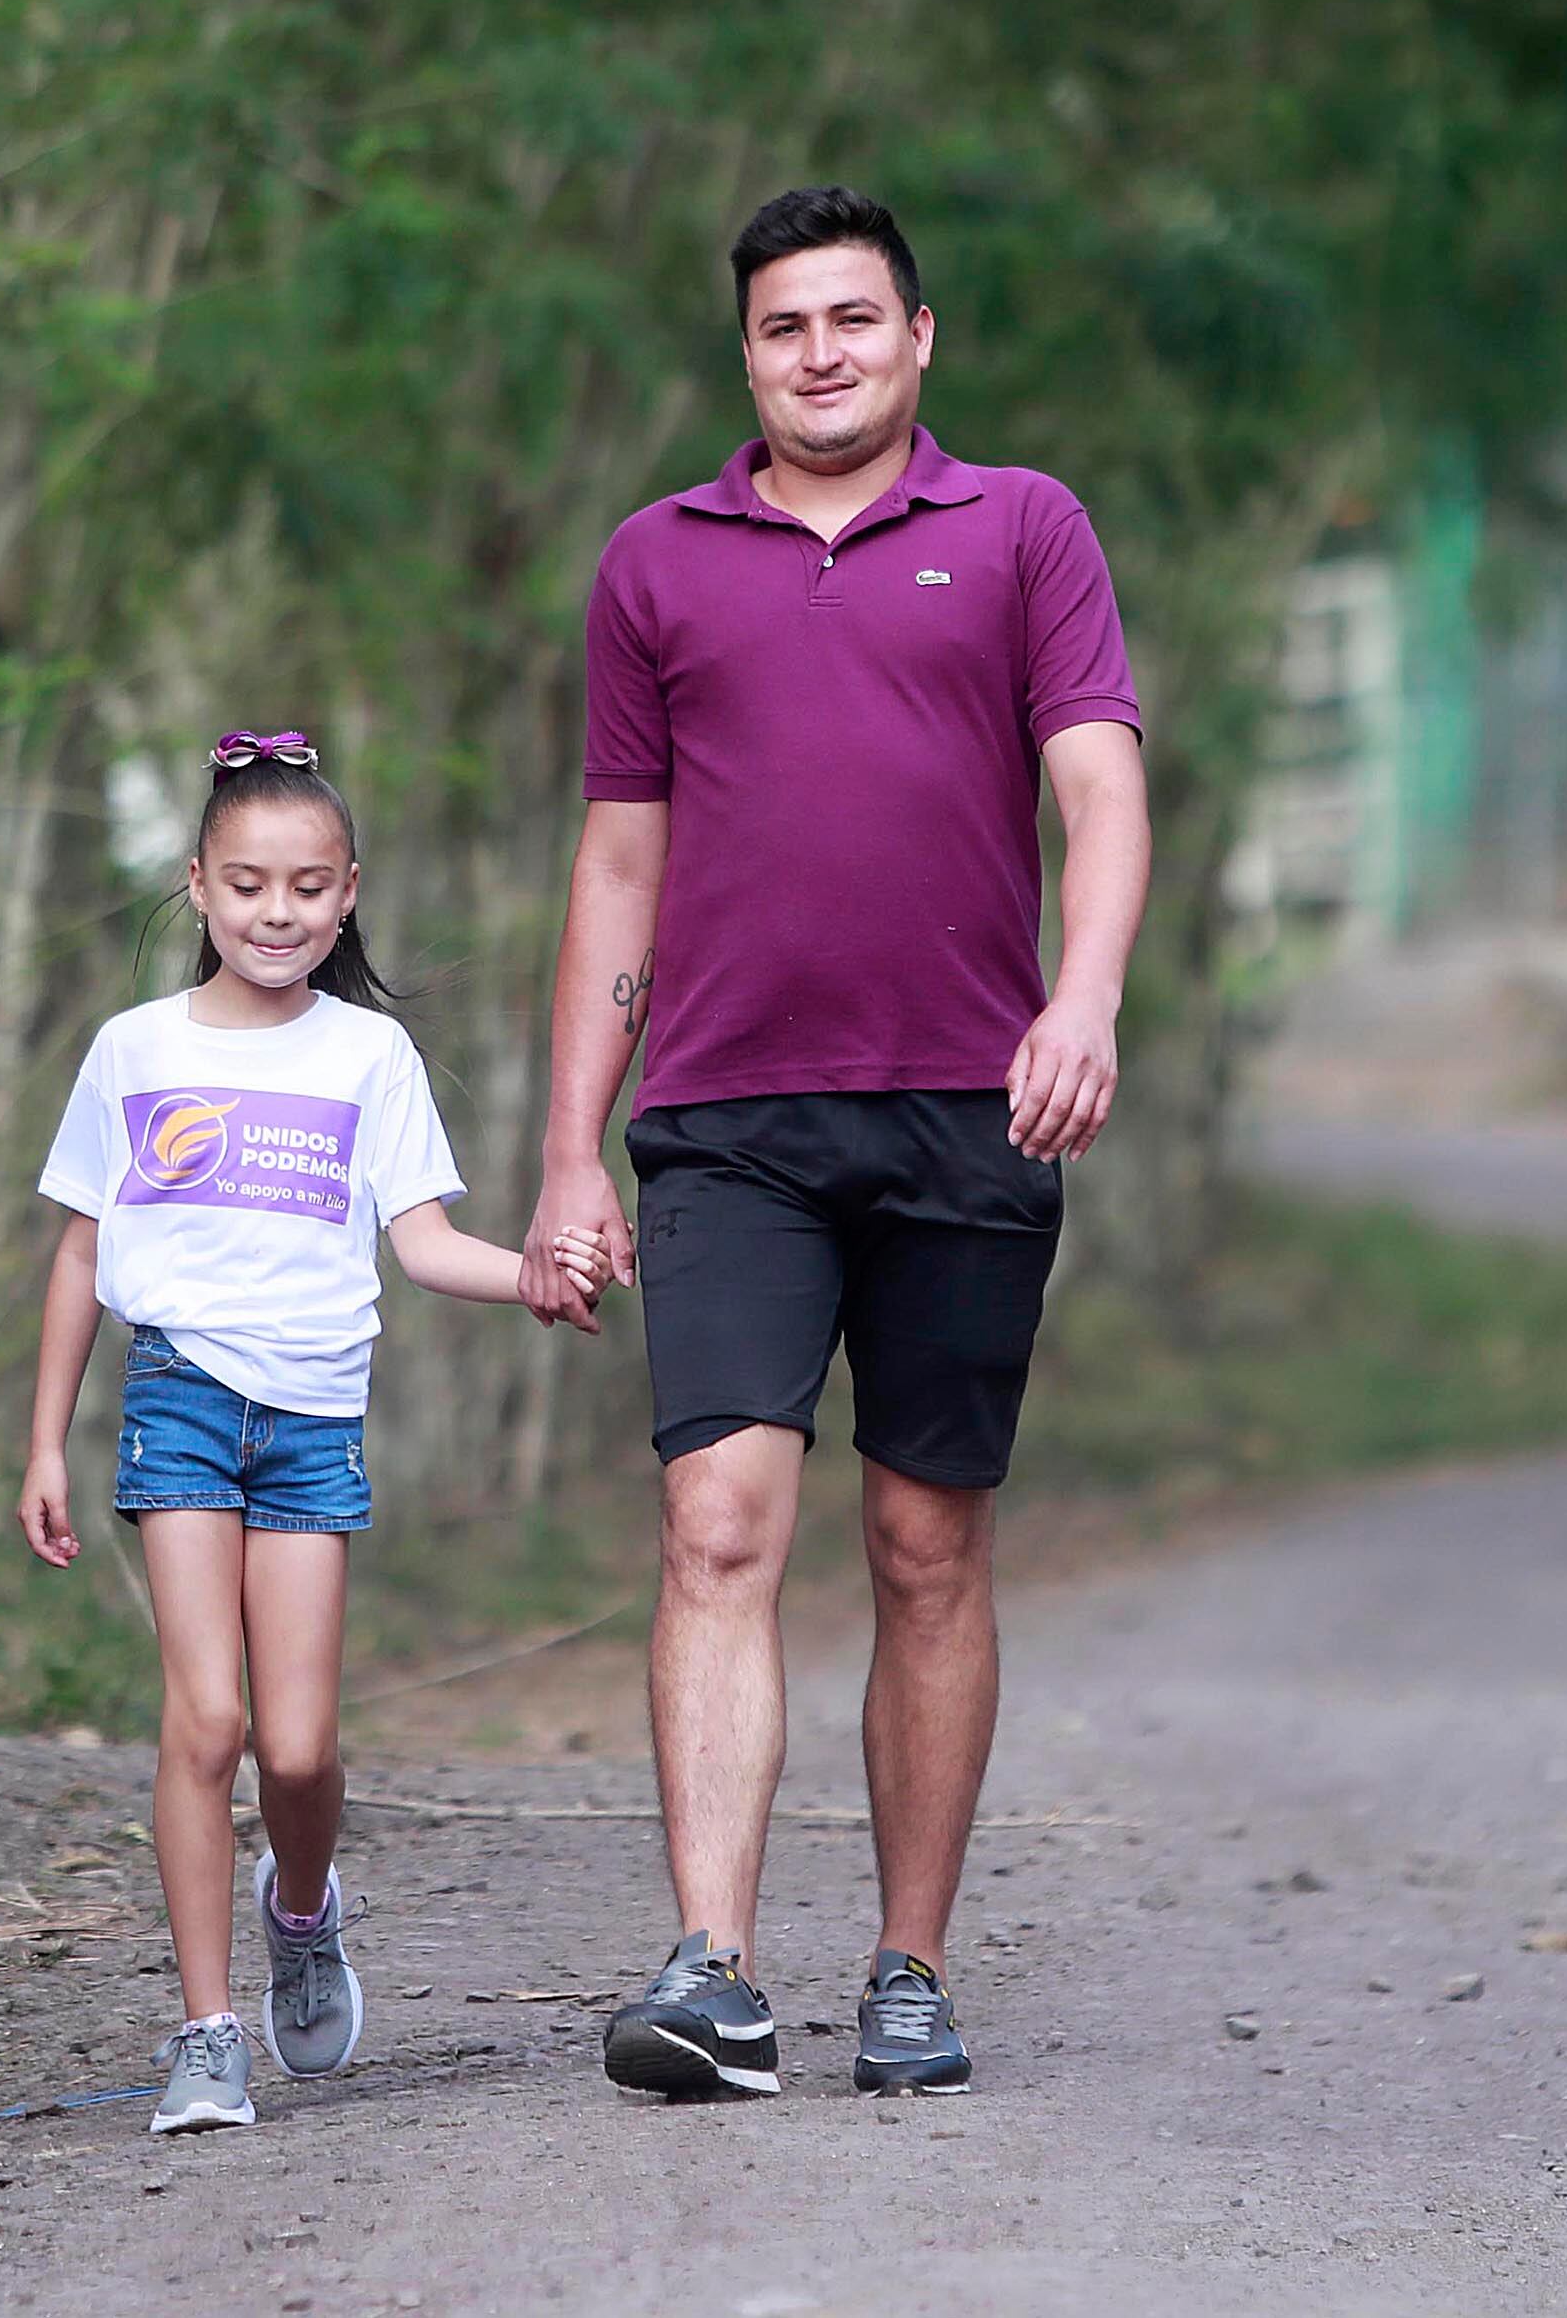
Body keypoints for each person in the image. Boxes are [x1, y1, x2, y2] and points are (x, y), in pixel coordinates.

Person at [519, 185, 1150, 2099]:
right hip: (727, 1120)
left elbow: (1103, 788)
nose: (823, 353)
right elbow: (620, 863)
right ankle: (711, 1966)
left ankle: (909, 1967)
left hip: (973, 1100)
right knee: (718, 1518)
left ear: (919, 337)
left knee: (923, 1544)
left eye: (855, 320)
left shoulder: (1023, 528)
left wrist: (1087, 998)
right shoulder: (658, 562)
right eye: (788, 326)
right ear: (748, 356)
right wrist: (569, 1149)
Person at [19, 730, 612, 2134]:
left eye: (304, 887)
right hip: (175, 1399)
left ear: (348, 895)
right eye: (246, 886)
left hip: (311, 1417)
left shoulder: (371, 1056)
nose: (275, 914)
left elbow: (424, 1245)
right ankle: (207, 2032)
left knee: (295, 1749)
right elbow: (77, 1256)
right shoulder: (134, 1049)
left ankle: (302, 1904)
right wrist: (45, 1442)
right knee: (206, 1720)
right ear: (198, 889)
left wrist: (534, 1276)